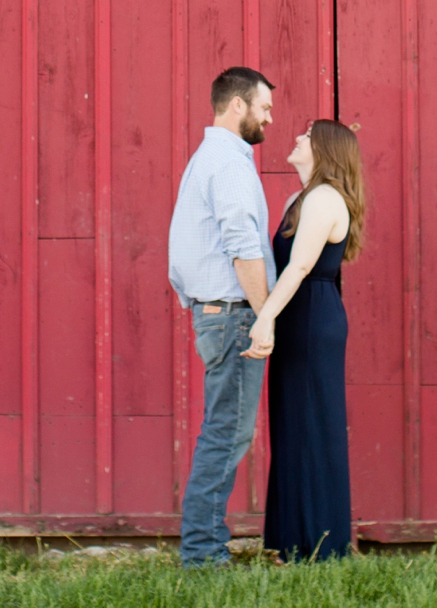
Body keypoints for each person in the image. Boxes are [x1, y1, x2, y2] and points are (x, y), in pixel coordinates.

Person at [165, 66, 276, 568]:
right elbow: (242, 245)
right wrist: (264, 314)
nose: (268, 119)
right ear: (238, 105)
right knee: (227, 433)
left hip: (217, 313)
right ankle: (204, 555)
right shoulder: (230, 163)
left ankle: (203, 548)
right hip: (234, 315)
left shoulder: (204, 159)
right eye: (264, 107)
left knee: (223, 429)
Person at [252, 117, 364, 563]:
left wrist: (264, 319)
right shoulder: (299, 198)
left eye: (307, 135)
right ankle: (293, 541)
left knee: (314, 428)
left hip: (313, 318)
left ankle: (322, 546)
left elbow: (298, 268)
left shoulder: (323, 199)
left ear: (324, 150)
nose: (297, 138)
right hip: (297, 317)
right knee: (294, 427)